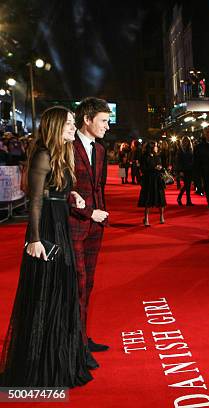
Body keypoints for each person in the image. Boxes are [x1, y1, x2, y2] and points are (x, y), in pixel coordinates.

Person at [0, 106, 92, 387]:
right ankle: (40, 367)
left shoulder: (61, 154)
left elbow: (55, 192)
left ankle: (59, 360)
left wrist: (71, 194)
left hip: (60, 226)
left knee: (63, 291)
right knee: (45, 294)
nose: (72, 127)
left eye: (73, 122)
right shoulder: (42, 154)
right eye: (68, 123)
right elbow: (36, 202)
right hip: (47, 231)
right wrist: (35, 239)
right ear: (54, 126)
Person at [69, 97, 111, 368]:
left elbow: (98, 187)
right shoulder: (68, 148)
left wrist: (100, 214)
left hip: (96, 226)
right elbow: (61, 190)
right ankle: (74, 346)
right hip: (74, 225)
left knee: (89, 284)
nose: (108, 126)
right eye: (103, 121)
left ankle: (82, 339)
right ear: (87, 119)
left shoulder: (101, 150)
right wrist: (88, 212)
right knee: (77, 286)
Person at [138, 142, 167, 226]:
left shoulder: (157, 156)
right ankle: (146, 219)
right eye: (155, 146)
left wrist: (161, 168)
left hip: (157, 179)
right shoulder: (144, 157)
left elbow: (161, 166)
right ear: (151, 148)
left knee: (160, 199)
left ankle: (161, 217)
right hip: (149, 180)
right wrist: (154, 168)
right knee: (149, 199)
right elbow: (143, 169)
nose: (157, 148)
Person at [175, 137, 194, 206]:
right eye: (184, 141)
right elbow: (178, 161)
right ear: (182, 142)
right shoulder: (180, 150)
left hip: (190, 169)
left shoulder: (191, 149)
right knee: (187, 185)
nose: (186, 142)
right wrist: (180, 171)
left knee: (187, 185)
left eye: (187, 141)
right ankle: (187, 200)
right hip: (184, 170)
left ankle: (180, 198)